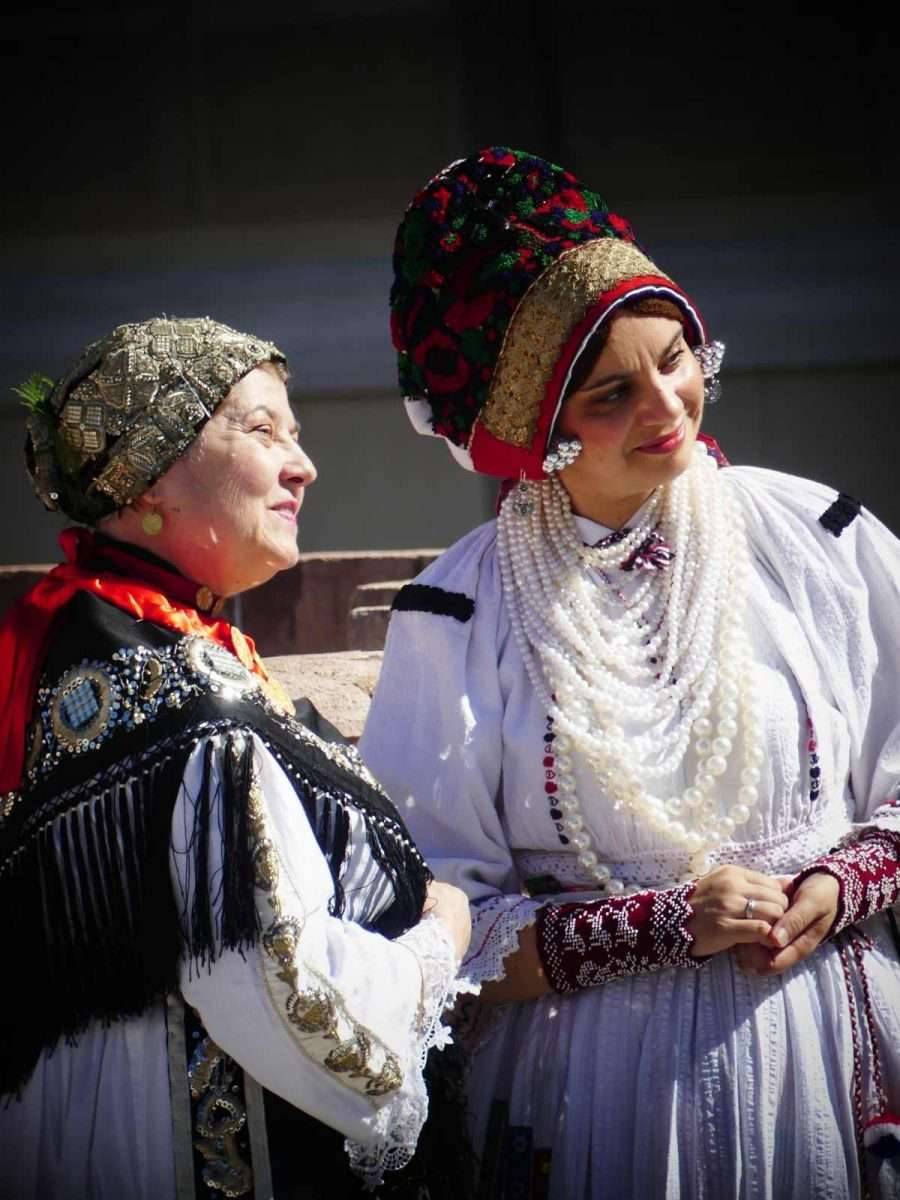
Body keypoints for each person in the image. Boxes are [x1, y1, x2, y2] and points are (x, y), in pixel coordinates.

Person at [359, 148, 900, 1199]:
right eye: (612, 392)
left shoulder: (816, 537)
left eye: (678, 356)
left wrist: (842, 883)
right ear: (537, 430)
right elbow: (427, 924)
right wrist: (655, 928)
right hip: (601, 1090)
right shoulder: (459, 613)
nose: (668, 403)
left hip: (826, 1043)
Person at [0, 316, 472, 1200]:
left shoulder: (96, 653)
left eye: (296, 434)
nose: (304, 466)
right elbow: (283, 987)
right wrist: (438, 946)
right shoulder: (185, 703)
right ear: (149, 476)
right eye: (263, 431)